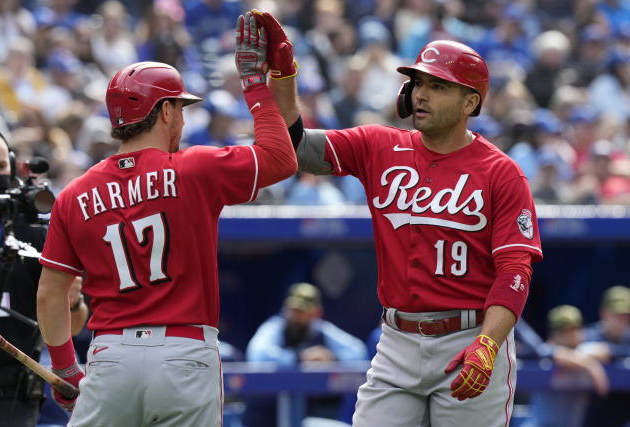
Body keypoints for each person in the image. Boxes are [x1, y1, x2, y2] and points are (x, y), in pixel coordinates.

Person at [252, 10, 543, 426]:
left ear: (470, 102)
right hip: (397, 340)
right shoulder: (379, 144)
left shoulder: (501, 172)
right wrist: (284, 83)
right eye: (418, 82)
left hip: (471, 338)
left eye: (437, 86)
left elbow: (515, 270)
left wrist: (488, 345)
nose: (421, 94)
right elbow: (296, 148)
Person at [36, 11, 296, 427]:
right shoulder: (194, 168)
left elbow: (51, 293)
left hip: (110, 359)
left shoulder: (74, 194)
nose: (184, 117)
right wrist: (256, 89)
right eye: (180, 107)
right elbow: (282, 159)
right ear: (166, 111)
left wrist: (67, 370)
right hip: (184, 355)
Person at [0, 127, 87, 427]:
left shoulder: (33, 232)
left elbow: (73, 327)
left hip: (13, 393)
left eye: (0, 166)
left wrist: (72, 302)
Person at [243, 282, 367, 426]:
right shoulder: (274, 327)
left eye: (301, 311)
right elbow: (257, 356)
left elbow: (359, 352)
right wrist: (299, 357)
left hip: (300, 417)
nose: (294, 316)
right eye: (292, 310)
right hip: (262, 418)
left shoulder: (321, 330)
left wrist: (331, 357)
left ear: (316, 313)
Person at [522, 305, 609, 427]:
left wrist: (586, 360)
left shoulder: (585, 351)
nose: (573, 334)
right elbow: (551, 352)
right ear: (554, 333)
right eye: (565, 330)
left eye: (576, 329)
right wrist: (590, 365)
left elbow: (605, 350)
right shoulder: (547, 353)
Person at [582, 285, 630, 427]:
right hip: (593, 413)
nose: (621, 320)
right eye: (616, 314)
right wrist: (589, 363)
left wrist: (611, 351)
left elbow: (611, 351)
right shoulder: (589, 336)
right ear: (603, 313)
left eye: (625, 315)